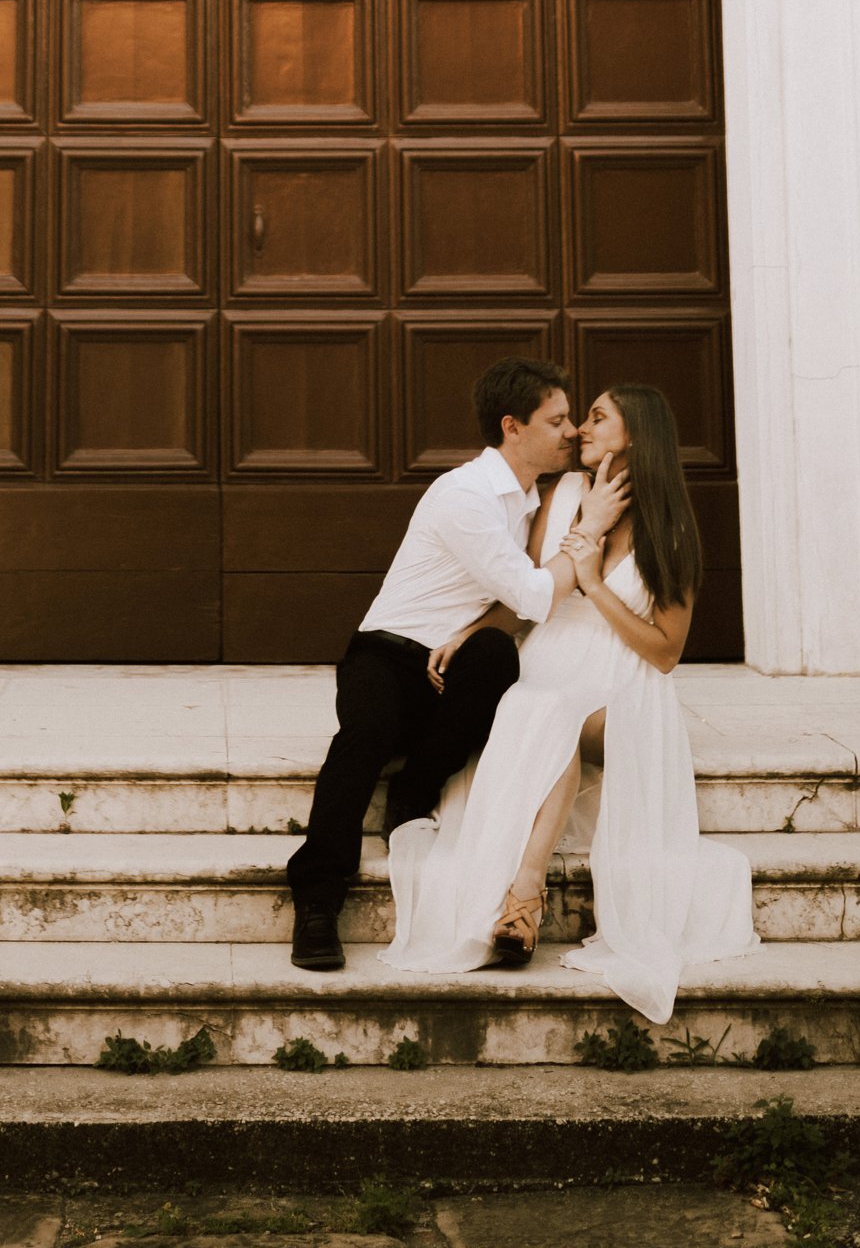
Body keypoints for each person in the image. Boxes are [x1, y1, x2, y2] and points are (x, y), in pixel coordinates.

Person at [381, 382, 757, 1023]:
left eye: (597, 417)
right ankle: (522, 900)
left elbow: (664, 652)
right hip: (548, 664)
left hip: (624, 685)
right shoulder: (564, 497)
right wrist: (474, 633)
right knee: (538, 703)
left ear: (635, 435)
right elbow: (528, 597)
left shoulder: (671, 528)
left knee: (551, 711)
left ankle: (524, 893)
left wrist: (591, 583)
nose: (581, 427)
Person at [286, 356, 580, 973]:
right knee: (362, 739)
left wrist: (472, 630)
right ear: (512, 427)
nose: (571, 430)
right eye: (557, 420)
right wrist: (588, 537)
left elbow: (512, 610)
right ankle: (317, 903)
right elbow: (531, 595)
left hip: (449, 667)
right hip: (387, 654)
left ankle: (417, 785)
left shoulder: (534, 501)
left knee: (496, 654)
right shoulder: (464, 496)